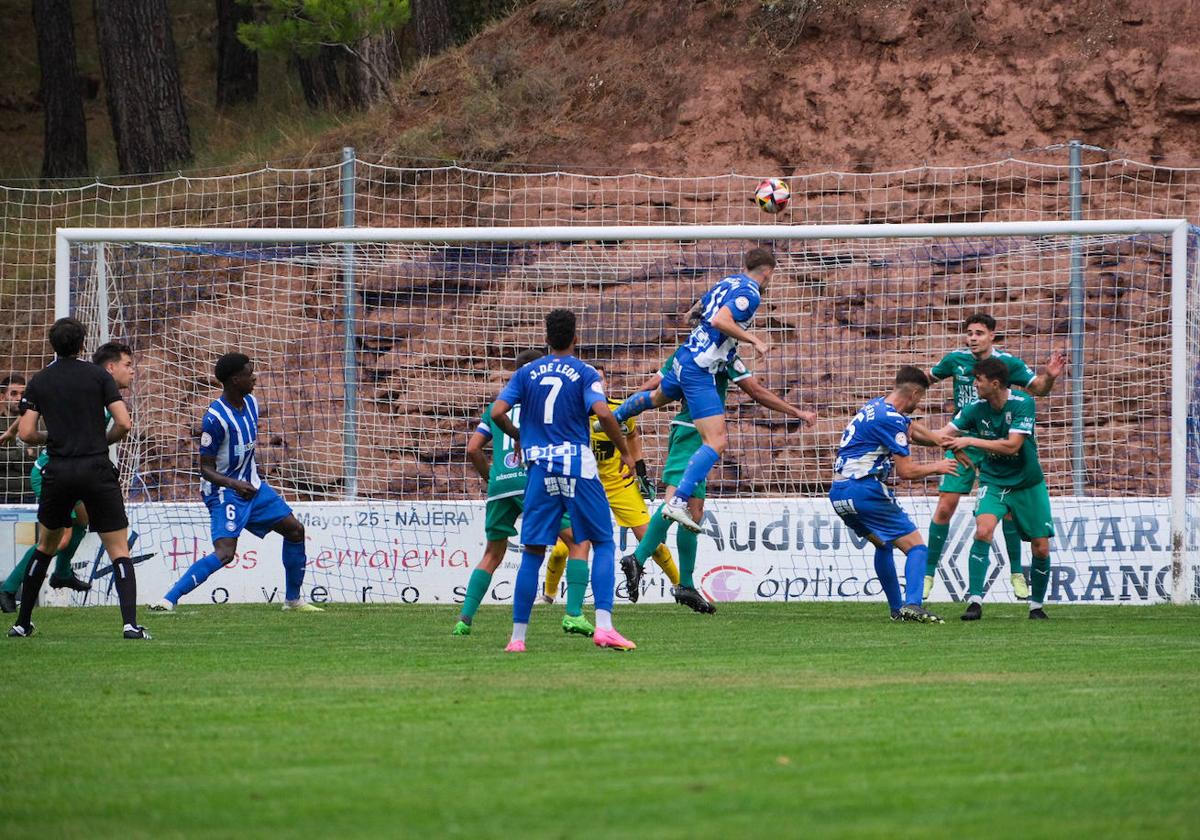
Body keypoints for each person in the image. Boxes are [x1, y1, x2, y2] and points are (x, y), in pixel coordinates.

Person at [619, 347, 816, 612]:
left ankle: (685, 584)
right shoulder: (717, 356)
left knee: (694, 512)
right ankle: (638, 558)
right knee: (675, 502)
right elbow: (756, 392)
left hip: (700, 437)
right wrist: (798, 413)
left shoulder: (698, 353)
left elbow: (655, 385)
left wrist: (627, 407)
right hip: (691, 432)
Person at [491, 309, 636, 652]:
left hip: (540, 467)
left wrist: (519, 434)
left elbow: (497, 412)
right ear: (575, 338)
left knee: (533, 551)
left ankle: (517, 639)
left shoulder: (526, 372)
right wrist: (626, 453)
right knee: (602, 541)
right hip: (577, 466)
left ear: (546, 338)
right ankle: (603, 626)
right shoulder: (585, 372)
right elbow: (602, 412)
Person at [611, 248, 776, 533]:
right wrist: (755, 341)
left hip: (686, 355)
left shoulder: (729, 281)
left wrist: (690, 314)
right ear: (767, 272)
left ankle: (614, 417)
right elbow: (720, 320)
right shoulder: (751, 292)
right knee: (717, 441)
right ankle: (677, 501)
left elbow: (701, 306)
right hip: (701, 367)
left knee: (656, 397)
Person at [9, 318, 148, 639]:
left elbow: (27, 433)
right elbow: (124, 424)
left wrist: (55, 438)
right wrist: (101, 441)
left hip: (58, 471)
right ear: (83, 343)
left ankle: (22, 622)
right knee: (119, 550)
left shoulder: (40, 381)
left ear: (52, 344)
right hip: (96, 469)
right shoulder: (99, 376)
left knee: (45, 547)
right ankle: (129, 625)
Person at [151, 353, 320, 613]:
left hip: (252, 487)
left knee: (295, 530)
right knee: (225, 553)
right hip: (224, 492)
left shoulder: (251, 402)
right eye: (249, 373)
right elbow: (205, 469)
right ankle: (168, 599)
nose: (255, 377)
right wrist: (233, 484)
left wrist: (247, 478)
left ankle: (293, 601)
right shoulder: (215, 419)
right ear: (234, 380)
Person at [923, 313, 1066, 600]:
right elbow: (926, 379)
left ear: (991, 336)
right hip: (962, 441)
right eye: (969, 333)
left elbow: (1037, 389)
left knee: (1008, 509)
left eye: (979, 333)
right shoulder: (955, 360)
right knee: (944, 506)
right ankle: (927, 573)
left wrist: (1049, 378)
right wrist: (904, 395)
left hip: (996, 440)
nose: (972, 338)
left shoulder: (1007, 365)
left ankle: (1016, 573)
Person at [454, 348, 583, 637]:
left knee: (492, 553)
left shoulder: (497, 406)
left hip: (500, 485)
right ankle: (574, 613)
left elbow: (473, 448)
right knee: (577, 542)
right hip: (532, 481)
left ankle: (464, 620)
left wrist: (493, 477)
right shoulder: (541, 404)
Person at [829, 366, 961, 624]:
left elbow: (911, 429)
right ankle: (913, 604)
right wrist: (939, 466)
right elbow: (907, 471)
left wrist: (940, 441)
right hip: (864, 490)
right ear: (913, 393)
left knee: (882, 543)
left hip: (838, 494)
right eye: (920, 398)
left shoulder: (876, 406)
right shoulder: (892, 419)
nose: (919, 403)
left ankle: (896, 609)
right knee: (918, 548)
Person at [542, 365, 681, 605]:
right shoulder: (569, 415)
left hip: (619, 485)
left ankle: (682, 587)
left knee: (652, 543)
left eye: (600, 379)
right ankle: (548, 598)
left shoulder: (619, 410)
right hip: (583, 487)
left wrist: (640, 470)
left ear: (604, 384)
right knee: (561, 549)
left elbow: (632, 436)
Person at [937, 357, 1056, 620]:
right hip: (993, 481)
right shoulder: (974, 408)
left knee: (1041, 547)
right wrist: (948, 446)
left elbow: (1013, 445)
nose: (974, 384)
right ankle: (975, 601)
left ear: (995, 383)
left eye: (978, 380)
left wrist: (970, 440)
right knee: (983, 530)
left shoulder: (1023, 403)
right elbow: (943, 434)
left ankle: (1036, 606)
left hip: (1028, 483)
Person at [0, 374, 36, 504]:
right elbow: (30, 454)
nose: (19, 398)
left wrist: (6, 457)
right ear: (3, 397)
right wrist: (23, 453)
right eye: (13, 393)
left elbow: (39, 460)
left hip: (31, 493)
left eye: (23, 394)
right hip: (2, 494)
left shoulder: (37, 424)